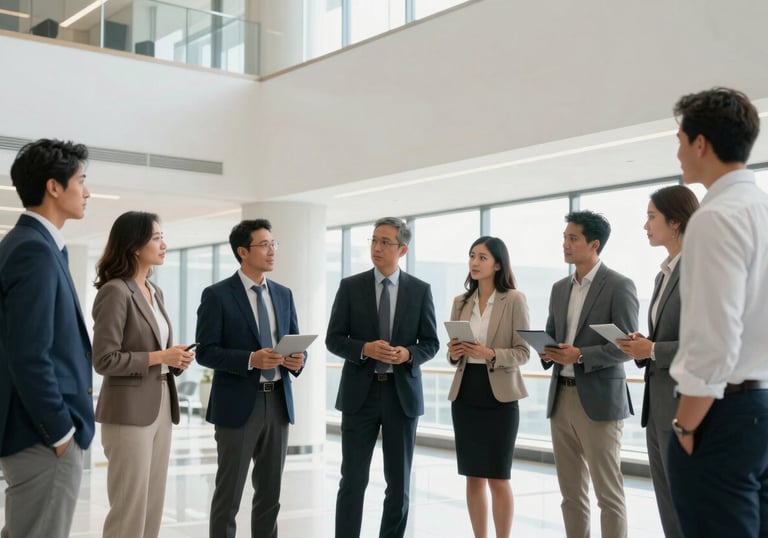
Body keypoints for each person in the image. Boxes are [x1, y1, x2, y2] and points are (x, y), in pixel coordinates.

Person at [667, 87, 768, 537]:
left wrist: (685, 427)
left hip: (723, 413)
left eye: (680, 140)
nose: (678, 152)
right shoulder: (761, 208)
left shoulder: (715, 216)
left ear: (701, 143)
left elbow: (715, 342)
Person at [0, 139, 94, 538]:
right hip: (41, 436)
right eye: (81, 181)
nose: (87, 191)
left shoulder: (31, 245)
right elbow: (28, 353)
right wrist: (59, 431)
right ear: (54, 187)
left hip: (33, 433)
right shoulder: (33, 251)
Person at [326, 216, 439, 538]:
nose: (377, 247)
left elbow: (430, 343)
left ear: (402, 249)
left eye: (385, 242)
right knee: (352, 479)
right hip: (359, 395)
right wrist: (365, 349)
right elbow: (334, 339)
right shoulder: (350, 287)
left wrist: (407, 355)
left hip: (400, 395)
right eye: (374, 240)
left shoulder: (420, 291)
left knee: (399, 482)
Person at [196, 219, 306, 538]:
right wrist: (250, 359)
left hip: (278, 402)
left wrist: (297, 360)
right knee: (229, 495)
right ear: (243, 251)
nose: (272, 251)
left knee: (270, 494)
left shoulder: (283, 294)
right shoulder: (217, 295)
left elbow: (294, 339)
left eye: (274, 244)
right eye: (264, 245)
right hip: (238, 405)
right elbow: (206, 351)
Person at [91, 211, 195, 537]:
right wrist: (159, 356)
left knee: (152, 505)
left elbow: (154, 352)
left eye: (163, 237)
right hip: (128, 413)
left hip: (161, 403)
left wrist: (173, 360)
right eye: (156, 238)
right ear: (135, 246)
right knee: (129, 508)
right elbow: (104, 359)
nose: (164, 244)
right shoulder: (115, 291)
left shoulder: (154, 290)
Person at [539, 210, 639, 538]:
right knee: (571, 495)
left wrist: (580, 354)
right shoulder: (558, 288)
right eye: (564, 237)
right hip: (561, 397)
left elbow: (627, 346)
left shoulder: (619, 286)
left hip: (599, 401)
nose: (565, 244)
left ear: (594, 244)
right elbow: (553, 334)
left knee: (608, 495)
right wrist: (547, 350)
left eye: (573, 238)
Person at [615, 186, 698, 538]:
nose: (645, 225)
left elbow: (707, 345)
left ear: (676, 221)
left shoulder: (698, 269)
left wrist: (652, 350)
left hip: (688, 407)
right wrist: (643, 346)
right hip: (658, 407)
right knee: (668, 505)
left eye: (652, 217)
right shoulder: (663, 274)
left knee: (690, 507)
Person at [447, 236, 530, 538]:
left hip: (501, 398)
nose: (474, 262)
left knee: (498, 477)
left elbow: (524, 352)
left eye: (482, 257)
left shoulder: (514, 300)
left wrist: (490, 353)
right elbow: (453, 354)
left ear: (498, 264)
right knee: (472, 477)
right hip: (466, 393)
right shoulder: (461, 302)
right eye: (472, 256)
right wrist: (455, 352)